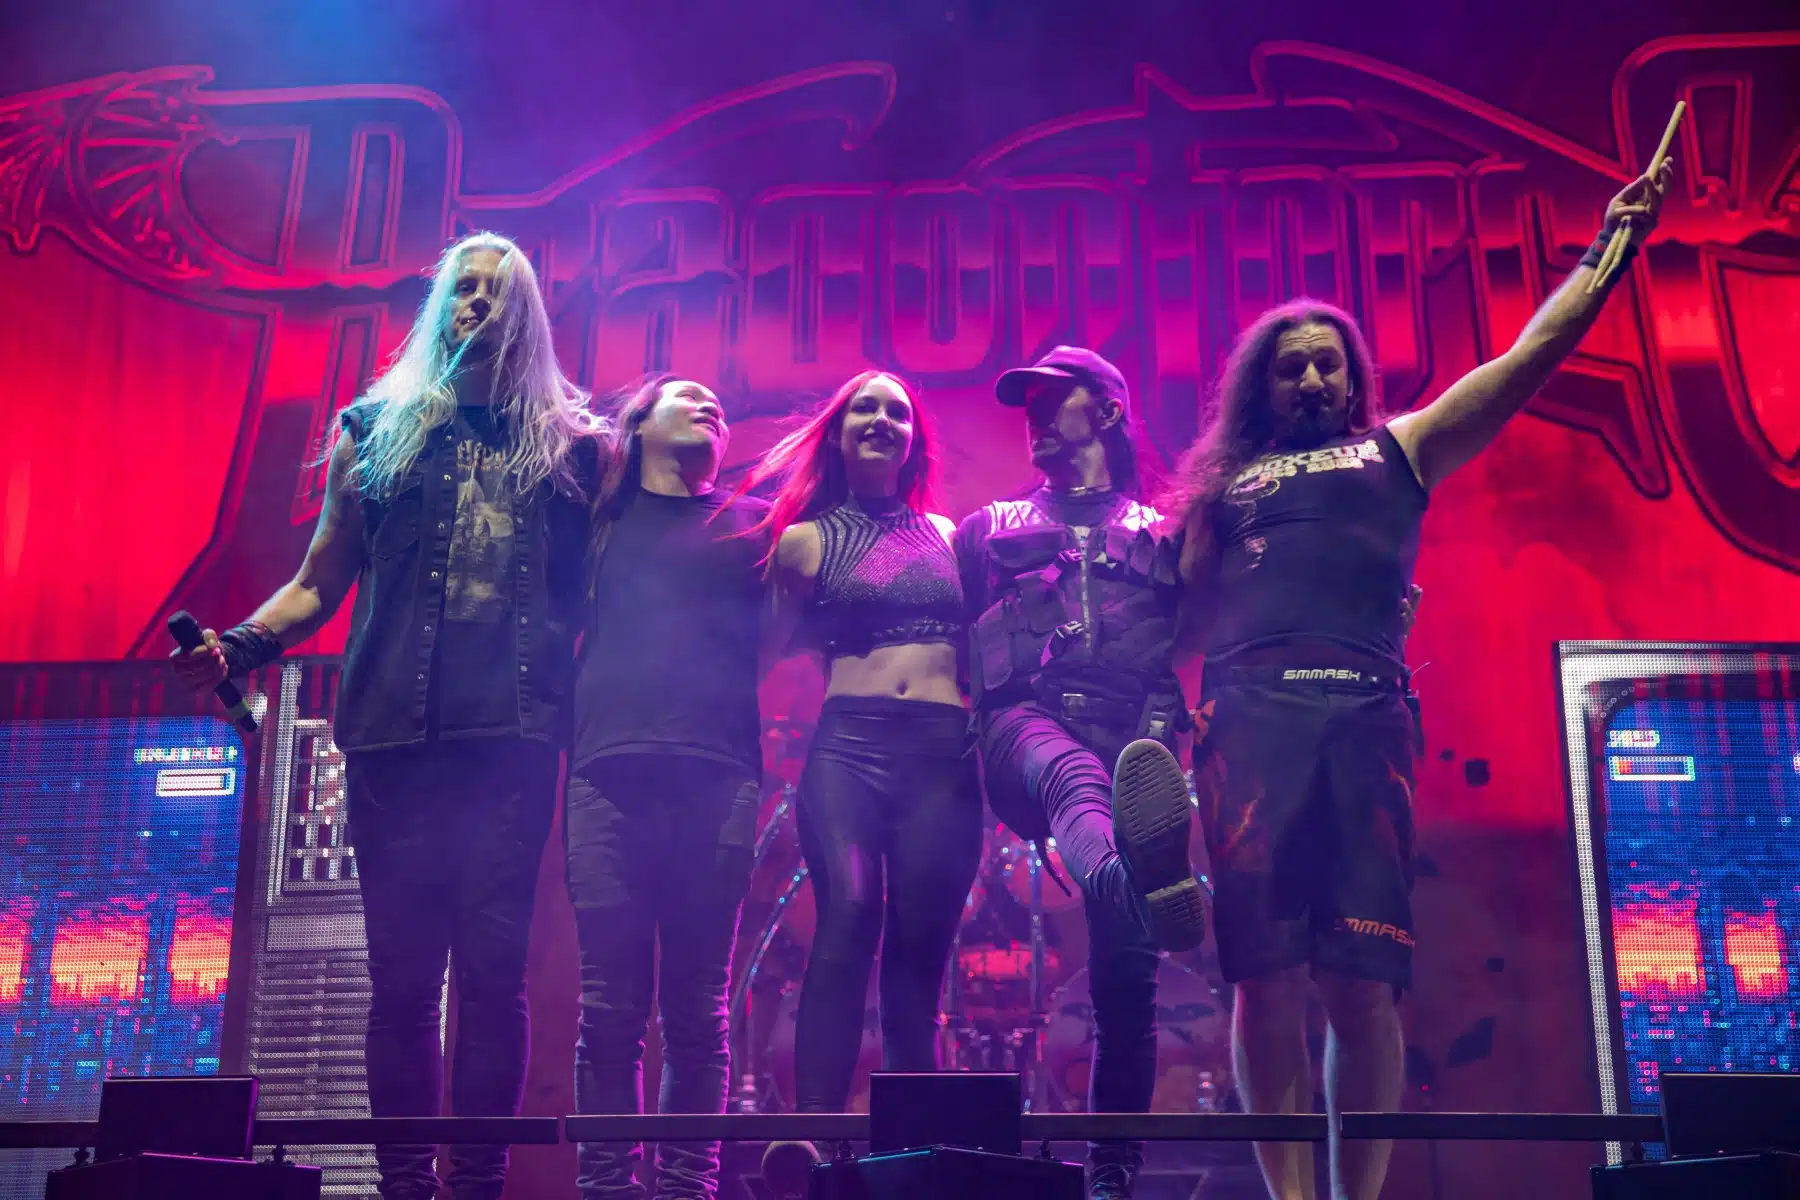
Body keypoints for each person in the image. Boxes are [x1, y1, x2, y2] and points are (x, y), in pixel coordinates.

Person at [1166, 162, 1676, 1200]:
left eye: (1329, 364)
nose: (1313, 381)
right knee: (1264, 980)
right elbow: (1176, 616)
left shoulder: (1400, 449)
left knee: (1363, 984)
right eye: (1292, 369)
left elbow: (1528, 359)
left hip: (1364, 723)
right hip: (1250, 726)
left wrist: (1609, 247)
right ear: (1261, 387)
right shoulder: (1222, 488)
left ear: (1353, 379)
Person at [170, 233, 604, 1200]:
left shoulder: (571, 449)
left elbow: (610, 593)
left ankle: (478, 1185)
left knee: (492, 980)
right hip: (392, 744)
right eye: (464, 288)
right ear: (439, 306)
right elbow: (318, 581)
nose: (477, 303)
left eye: (496, 292)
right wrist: (238, 646)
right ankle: (406, 1186)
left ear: (527, 316)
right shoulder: (374, 431)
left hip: (511, 746)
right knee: (403, 981)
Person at [955, 345, 1205, 1200]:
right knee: (1073, 781)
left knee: (1126, 984)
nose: (1032, 413)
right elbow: (946, 638)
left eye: (1051, 398)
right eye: (1026, 402)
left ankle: (1112, 1173)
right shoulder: (987, 528)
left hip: (1133, 742)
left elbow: (1213, 631)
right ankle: (1134, 881)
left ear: (1106, 411)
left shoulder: (1167, 532)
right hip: (1023, 729)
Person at [745, 371, 984, 1195]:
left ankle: (917, 1148)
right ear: (839, 433)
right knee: (847, 918)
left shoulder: (951, 536)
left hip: (941, 757)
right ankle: (810, 1133)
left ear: (915, 438)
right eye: (866, 408)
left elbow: (986, 655)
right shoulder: (805, 542)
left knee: (920, 952)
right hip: (848, 750)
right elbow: (759, 655)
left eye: (898, 411)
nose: (883, 419)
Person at [567, 376, 771, 1200]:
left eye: (719, 402)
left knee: (698, 1010)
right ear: (639, 422)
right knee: (609, 1009)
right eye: (688, 394)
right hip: (606, 777)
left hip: (718, 780)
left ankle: (688, 1189)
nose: (710, 403)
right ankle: (606, 1189)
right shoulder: (594, 522)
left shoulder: (754, 525)